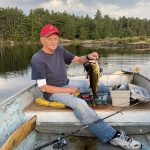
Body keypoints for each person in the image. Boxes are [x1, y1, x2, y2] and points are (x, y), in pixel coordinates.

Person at [31, 24, 142, 150]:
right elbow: (43, 88)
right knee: (80, 104)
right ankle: (112, 136)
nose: (53, 42)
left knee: (98, 84)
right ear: (42, 40)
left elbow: (78, 59)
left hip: (67, 83)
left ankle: (117, 99)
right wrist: (67, 90)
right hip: (53, 92)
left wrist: (88, 57)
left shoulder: (59, 50)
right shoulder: (37, 59)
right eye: (49, 38)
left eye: (55, 38)